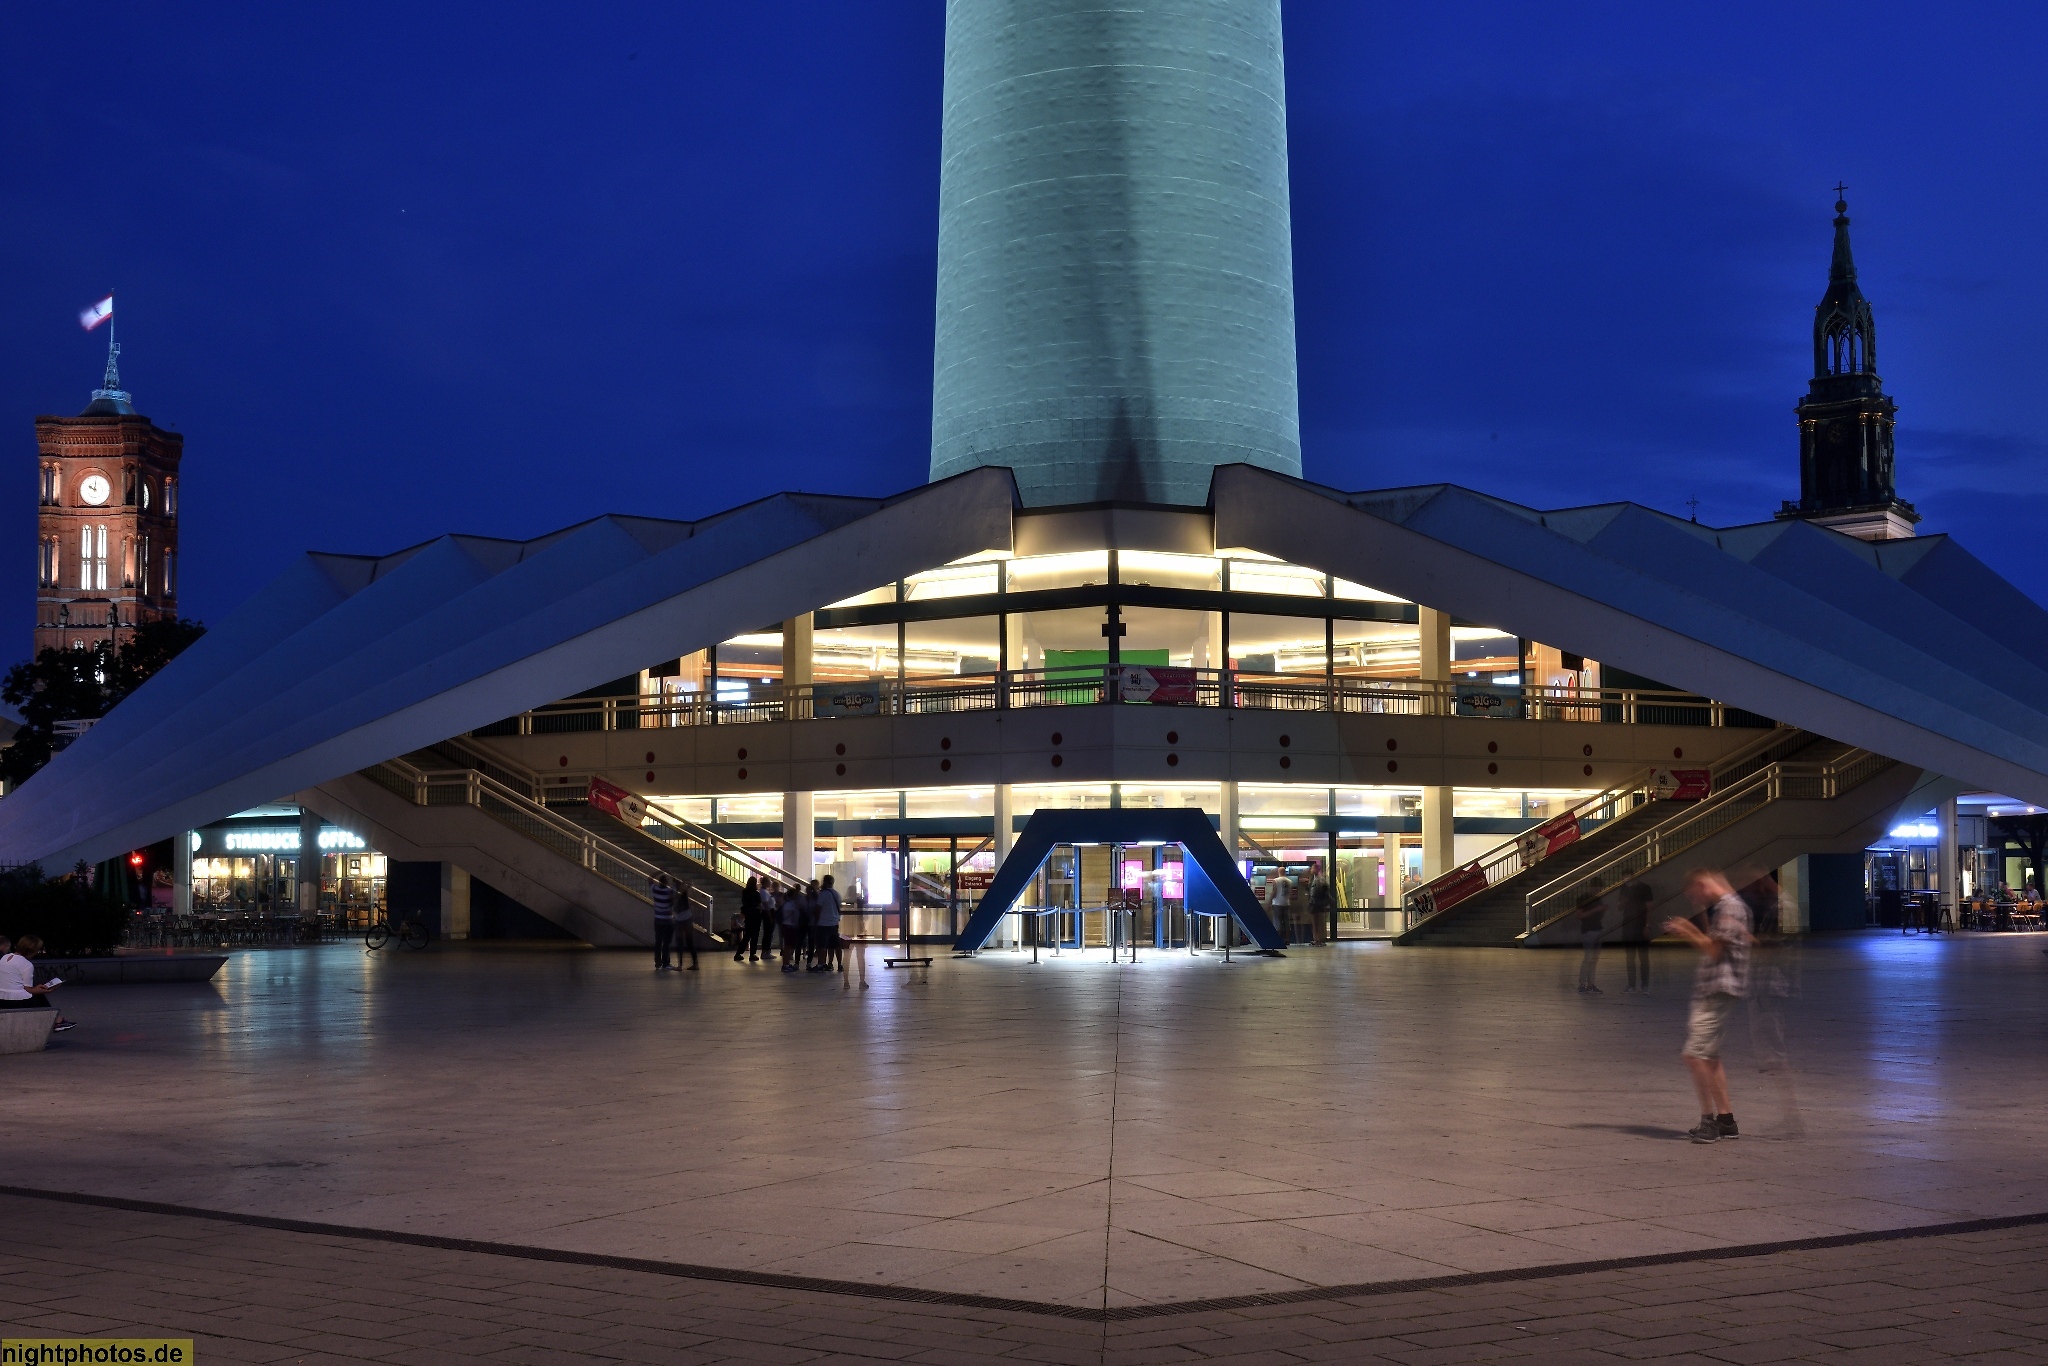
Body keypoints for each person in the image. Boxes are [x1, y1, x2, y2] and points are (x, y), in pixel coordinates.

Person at [1664, 869, 1753, 1143]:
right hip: (1718, 989)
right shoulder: (1732, 906)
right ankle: (1726, 1120)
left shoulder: (1730, 908)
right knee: (1710, 1056)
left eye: (1695, 895)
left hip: (1717, 989)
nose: (1697, 901)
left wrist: (1687, 930)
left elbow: (1714, 950)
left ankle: (1708, 1122)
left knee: (1695, 1056)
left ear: (1703, 885)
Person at [0, 935, 74, 1032]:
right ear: (32, 950)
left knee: (37, 995)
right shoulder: (27, 964)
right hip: (14, 1001)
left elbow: (15, 983)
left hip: (2, 998)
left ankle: (57, 1021)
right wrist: (48, 990)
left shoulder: (5, 957)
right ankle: (56, 1021)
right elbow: (28, 989)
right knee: (39, 996)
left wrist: (37, 988)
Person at [1619, 877, 1654, 993]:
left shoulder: (1645, 888)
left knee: (1643, 958)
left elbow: (1649, 908)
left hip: (1641, 926)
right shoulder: (1624, 888)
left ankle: (1644, 984)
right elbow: (1619, 907)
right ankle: (1631, 985)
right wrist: (1623, 902)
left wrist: (1647, 925)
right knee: (1630, 957)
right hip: (1628, 927)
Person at [1576, 880, 1606, 993]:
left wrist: (1602, 911)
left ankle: (1591, 983)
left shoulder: (1598, 899)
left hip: (1597, 929)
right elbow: (1580, 915)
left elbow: (1599, 915)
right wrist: (1596, 910)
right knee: (1588, 958)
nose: (1598, 891)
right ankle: (1582, 983)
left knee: (1594, 960)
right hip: (1587, 931)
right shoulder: (1583, 899)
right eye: (1597, 888)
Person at [813, 875, 843, 973]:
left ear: (824, 882)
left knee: (822, 945)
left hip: (823, 923)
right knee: (835, 945)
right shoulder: (836, 894)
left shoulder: (823, 894)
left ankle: (821, 964)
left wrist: (816, 921)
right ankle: (838, 964)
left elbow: (818, 908)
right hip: (834, 923)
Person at [650, 874, 678, 972]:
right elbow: (677, 888)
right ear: (667, 882)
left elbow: (649, 879)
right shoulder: (670, 891)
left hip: (658, 919)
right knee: (666, 943)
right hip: (668, 920)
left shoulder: (655, 889)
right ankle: (666, 963)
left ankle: (658, 963)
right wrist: (674, 879)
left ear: (659, 881)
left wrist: (658, 871)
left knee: (658, 942)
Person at [778, 883, 805, 972]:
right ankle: (786, 964)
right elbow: (795, 916)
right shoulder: (792, 904)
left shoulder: (785, 904)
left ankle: (786, 963)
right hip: (790, 926)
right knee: (788, 946)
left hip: (785, 925)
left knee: (787, 946)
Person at [737, 876, 763, 963]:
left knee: (747, 935)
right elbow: (759, 904)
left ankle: (738, 953)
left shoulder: (744, 892)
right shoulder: (756, 894)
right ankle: (752, 954)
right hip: (756, 915)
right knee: (755, 936)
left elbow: (744, 903)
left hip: (748, 915)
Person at [1267, 869, 1293, 944]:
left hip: (1277, 903)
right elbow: (1290, 893)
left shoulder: (1276, 880)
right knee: (1286, 922)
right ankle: (1287, 939)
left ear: (1278, 872)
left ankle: (1278, 939)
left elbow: (1274, 891)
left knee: (1277, 921)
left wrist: (1269, 902)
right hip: (1286, 903)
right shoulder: (1290, 881)